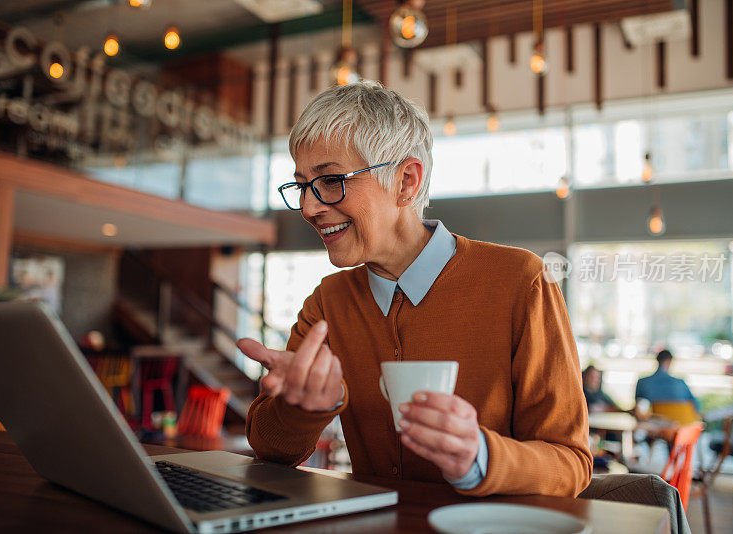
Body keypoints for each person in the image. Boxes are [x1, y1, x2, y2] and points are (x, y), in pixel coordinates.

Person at [237, 81, 591, 497]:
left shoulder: (520, 279)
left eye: (330, 180)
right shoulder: (327, 301)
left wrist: (481, 458)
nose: (310, 207)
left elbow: (572, 462)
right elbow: (269, 449)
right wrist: (300, 411)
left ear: (406, 181)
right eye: (302, 186)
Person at [635, 349, 701, 411]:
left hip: (653, 421)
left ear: (657, 360)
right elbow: (695, 405)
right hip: (679, 421)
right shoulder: (680, 383)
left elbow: (638, 406)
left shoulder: (642, 383)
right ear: (670, 361)